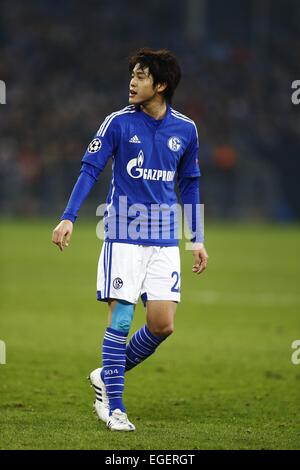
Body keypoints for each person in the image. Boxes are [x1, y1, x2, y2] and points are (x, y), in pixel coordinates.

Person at [52, 48, 208, 432]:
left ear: (161, 84)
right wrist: (68, 217)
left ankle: (107, 374)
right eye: (132, 75)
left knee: (162, 324)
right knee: (121, 319)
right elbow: (90, 169)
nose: (132, 82)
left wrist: (197, 238)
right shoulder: (118, 123)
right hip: (123, 233)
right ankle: (116, 408)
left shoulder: (186, 129)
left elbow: (190, 184)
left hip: (164, 238)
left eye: (141, 76)